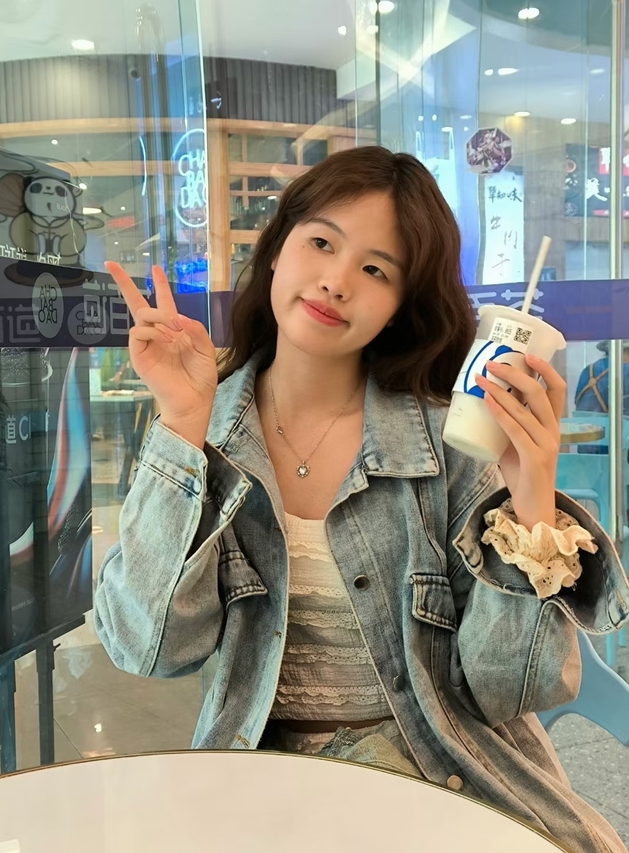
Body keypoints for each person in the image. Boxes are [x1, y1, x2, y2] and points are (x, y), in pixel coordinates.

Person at [94, 147, 629, 853]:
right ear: (278, 249)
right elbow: (149, 648)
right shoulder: (199, 429)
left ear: (402, 305)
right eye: (321, 242)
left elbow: (504, 692)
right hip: (262, 795)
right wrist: (182, 427)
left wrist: (531, 504)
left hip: (444, 784)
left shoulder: (453, 445)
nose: (337, 281)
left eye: (376, 270)